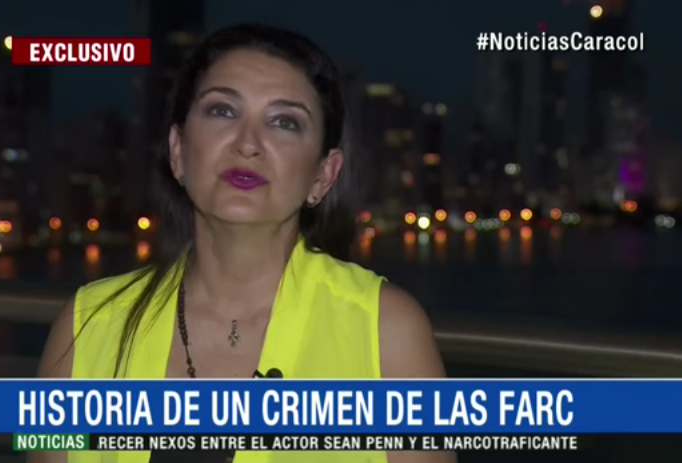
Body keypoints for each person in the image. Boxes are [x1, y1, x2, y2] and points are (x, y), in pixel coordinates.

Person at [33, 24, 455, 463]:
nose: (248, 144)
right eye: (222, 111)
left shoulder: (385, 330)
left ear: (323, 174)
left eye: (284, 122)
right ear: (178, 151)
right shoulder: (88, 326)